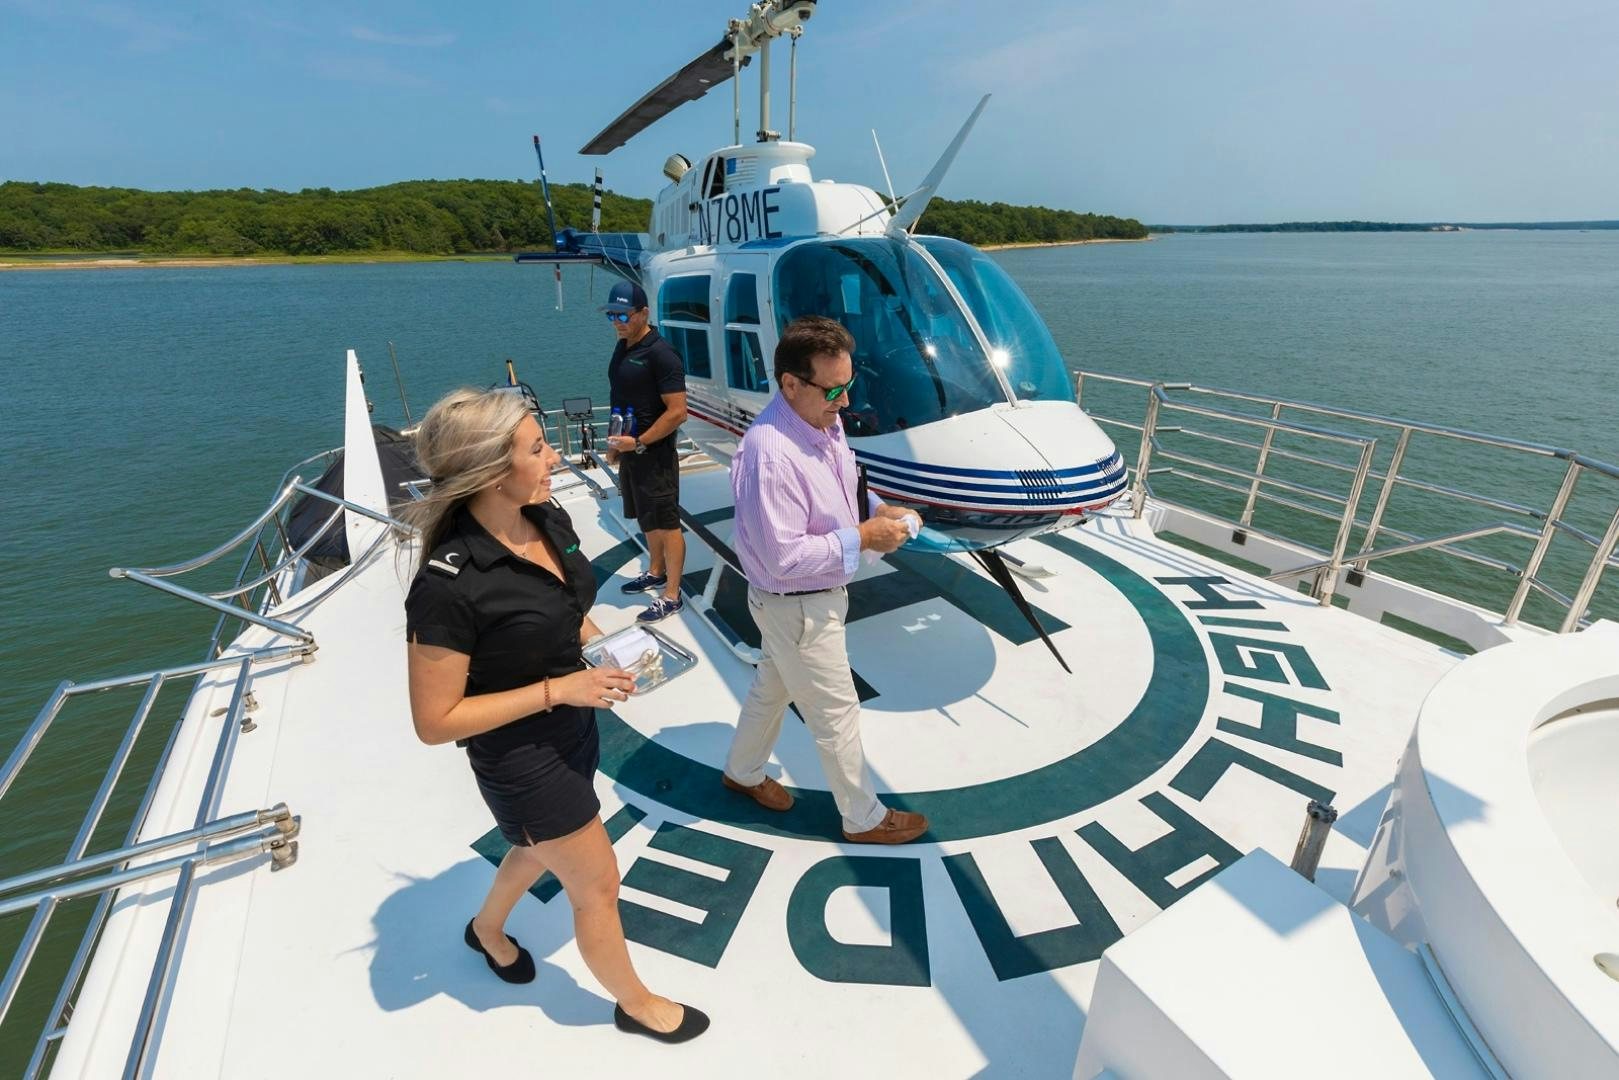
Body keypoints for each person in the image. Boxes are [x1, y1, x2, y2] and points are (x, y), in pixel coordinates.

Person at [402, 387, 708, 1044]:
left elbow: (569, 612)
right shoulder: (447, 585)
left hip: (573, 729)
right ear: (490, 470)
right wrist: (557, 691)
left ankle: (486, 929)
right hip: (520, 758)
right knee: (596, 885)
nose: (553, 457)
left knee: (535, 846)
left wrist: (610, 651)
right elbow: (435, 721)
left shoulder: (548, 518)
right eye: (537, 448)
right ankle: (637, 1004)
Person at [722, 316, 929, 844]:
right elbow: (784, 556)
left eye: (849, 385)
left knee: (773, 687)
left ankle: (742, 772)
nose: (844, 401)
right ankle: (862, 819)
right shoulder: (770, 455)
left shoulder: (822, 422)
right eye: (833, 389)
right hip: (797, 606)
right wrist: (863, 537)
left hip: (801, 605)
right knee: (837, 712)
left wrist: (883, 509)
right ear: (790, 383)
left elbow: (847, 488)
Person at [601, 280, 688, 625]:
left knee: (667, 523)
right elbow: (621, 398)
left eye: (623, 314)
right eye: (611, 315)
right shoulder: (623, 346)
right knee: (645, 517)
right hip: (630, 451)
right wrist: (616, 445)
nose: (617, 321)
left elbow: (678, 411)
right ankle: (655, 571)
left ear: (643, 313)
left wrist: (639, 442)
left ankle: (673, 594)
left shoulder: (661, 354)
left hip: (655, 456)